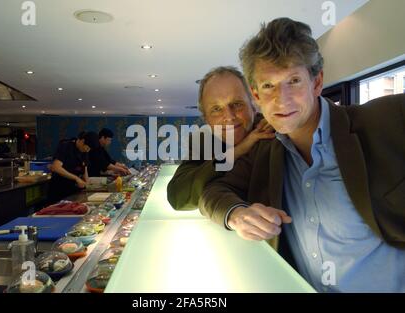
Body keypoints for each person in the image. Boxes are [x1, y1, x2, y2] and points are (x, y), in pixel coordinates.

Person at [200, 18, 405, 292]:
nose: (281, 100)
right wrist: (237, 214)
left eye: (293, 81)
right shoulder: (263, 146)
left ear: (317, 82)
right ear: (256, 95)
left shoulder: (384, 120)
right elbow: (211, 191)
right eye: (268, 86)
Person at [167, 66, 275, 210]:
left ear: (253, 105)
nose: (229, 117)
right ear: (206, 119)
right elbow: (177, 197)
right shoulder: (203, 141)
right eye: (216, 109)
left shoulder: (271, 130)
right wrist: (238, 151)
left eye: (237, 104)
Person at [48, 131, 99, 204]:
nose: (87, 150)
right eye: (87, 148)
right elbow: (56, 167)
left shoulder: (84, 152)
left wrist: (87, 184)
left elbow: (85, 170)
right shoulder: (65, 146)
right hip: (59, 189)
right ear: (82, 141)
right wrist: (76, 178)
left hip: (72, 191)